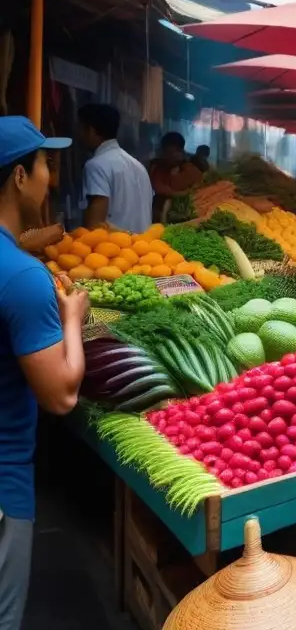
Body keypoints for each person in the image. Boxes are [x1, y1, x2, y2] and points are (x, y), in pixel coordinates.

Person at [0, 117, 89, 630]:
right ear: (18, 177)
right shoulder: (23, 277)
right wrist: (72, 320)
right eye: (44, 165)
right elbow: (60, 396)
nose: (49, 178)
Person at [78, 103, 153, 233]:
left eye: (80, 129)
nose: (78, 135)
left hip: (114, 250)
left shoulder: (96, 166)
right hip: (144, 249)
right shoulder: (139, 166)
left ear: (91, 130)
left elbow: (95, 225)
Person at [149, 132, 203, 223]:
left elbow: (197, 192)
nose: (168, 156)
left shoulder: (191, 170)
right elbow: (158, 188)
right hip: (155, 216)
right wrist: (183, 193)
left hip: (183, 219)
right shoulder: (157, 168)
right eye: (165, 152)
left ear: (181, 151)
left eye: (171, 152)